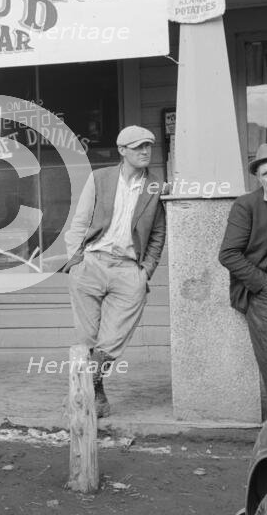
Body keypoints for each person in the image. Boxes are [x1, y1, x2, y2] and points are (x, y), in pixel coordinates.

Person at [63, 125, 166, 417]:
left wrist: (145, 271)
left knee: (111, 342)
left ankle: (85, 385)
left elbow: (158, 235)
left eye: (149, 146)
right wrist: (75, 263)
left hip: (129, 270)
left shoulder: (155, 186)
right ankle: (93, 397)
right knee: (86, 339)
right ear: (122, 151)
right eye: (138, 147)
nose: (145, 151)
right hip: (91, 263)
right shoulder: (100, 178)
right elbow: (80, 221)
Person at [219, 143, 267, 418]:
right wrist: (264, 285)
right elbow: (228, 254)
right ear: (259, 178)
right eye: (265, 174)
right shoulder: (247, 205)